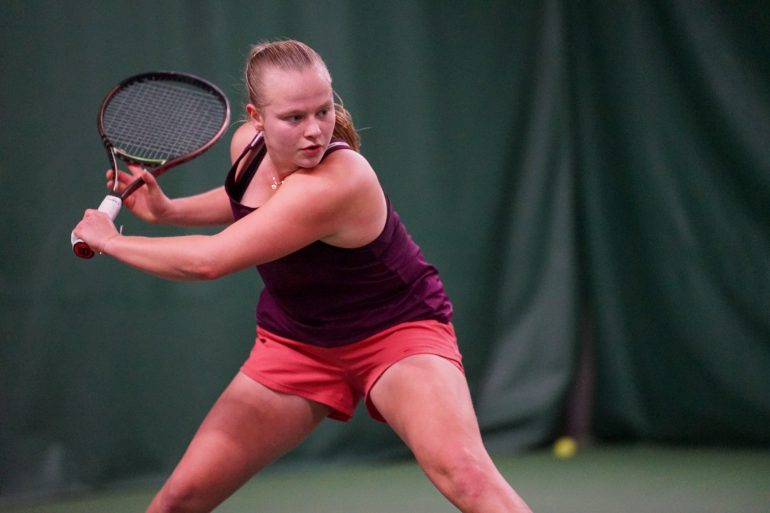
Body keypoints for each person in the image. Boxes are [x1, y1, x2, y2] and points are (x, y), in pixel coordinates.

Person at [74, 39, 533, 513]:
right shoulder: (247, 148)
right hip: (297, 343)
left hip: (395, 332)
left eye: (323, 111)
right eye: (294, 118)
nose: (314, 131)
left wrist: (110, 241)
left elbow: (209, 260)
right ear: (256, 118)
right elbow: (250, 200)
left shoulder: (339, 180)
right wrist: (170, 211)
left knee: (466, 477)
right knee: (180, 497)